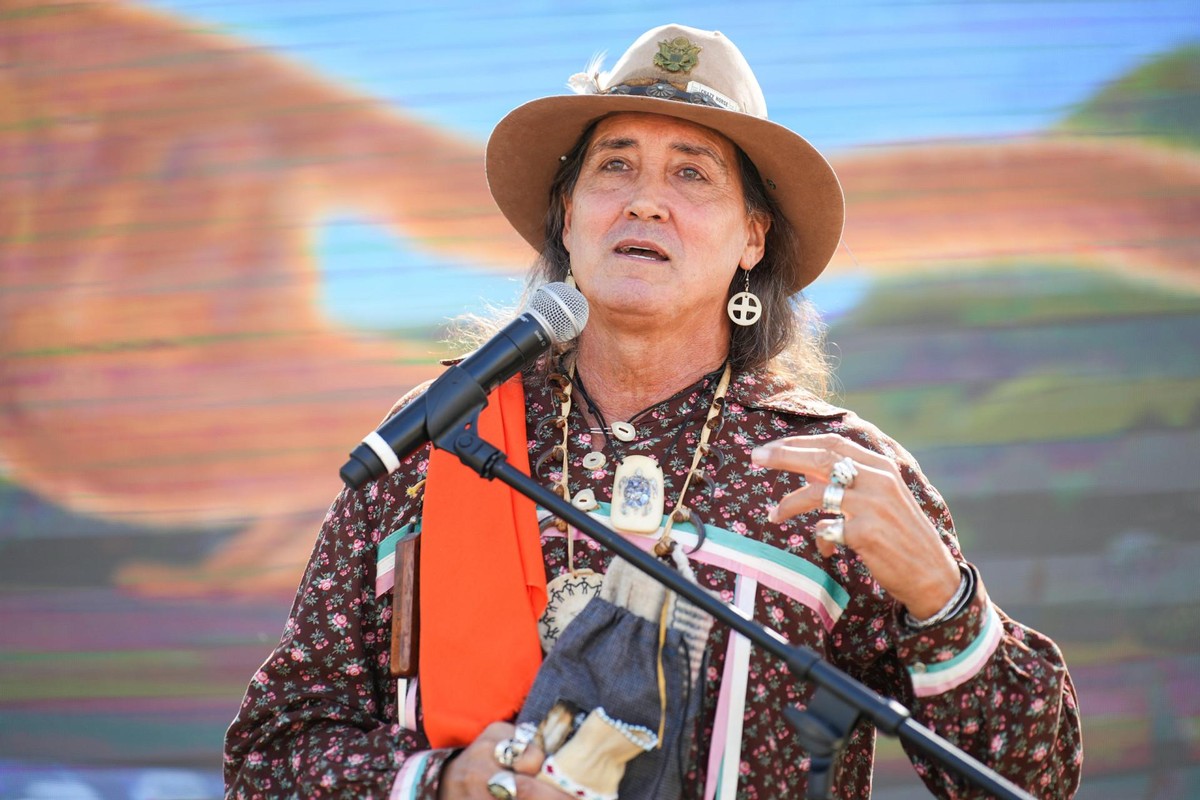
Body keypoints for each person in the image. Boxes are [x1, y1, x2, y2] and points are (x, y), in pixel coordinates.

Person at [224, 23, 1082, 800]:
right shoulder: (443, 435)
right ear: (568, 217)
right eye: (615, 165)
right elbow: (269, 755)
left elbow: (1031, 780)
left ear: (752, 238)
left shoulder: (835, 474)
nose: (643, 200)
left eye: (691, 173)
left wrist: (940, 596)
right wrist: (439, 783)